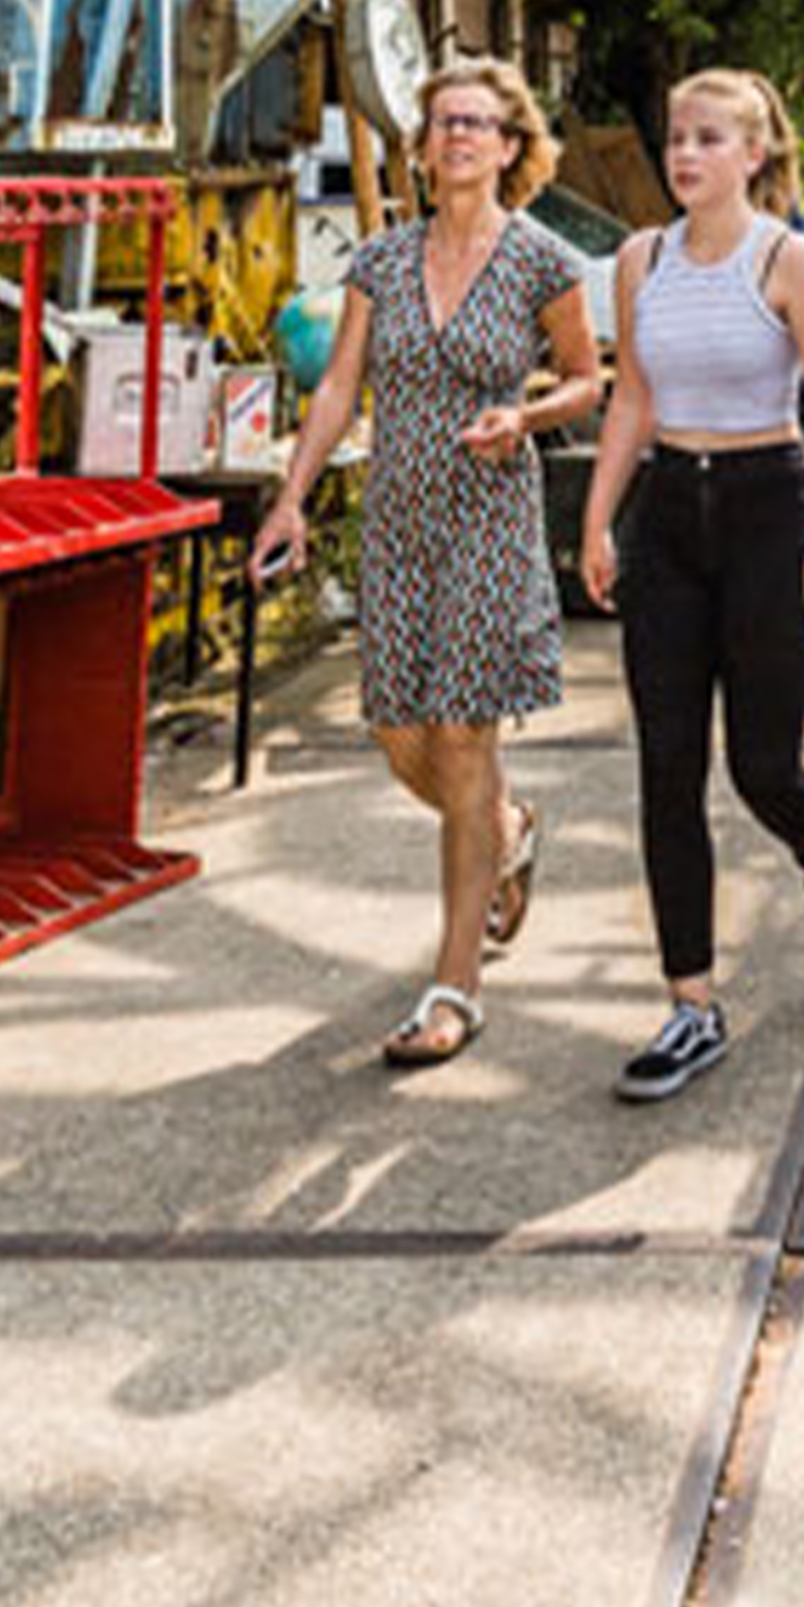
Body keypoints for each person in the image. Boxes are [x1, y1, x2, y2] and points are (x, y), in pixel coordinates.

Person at [250, 57, 601, 1070]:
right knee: (402, 737)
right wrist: (291, 499)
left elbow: (585, 381)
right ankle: (506, 830)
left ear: (510, 146)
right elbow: (337, 390)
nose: (457, 136)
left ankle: (454, 989)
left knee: (461, 733)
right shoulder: (381, 262)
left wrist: (524, 416)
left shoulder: (542, 261)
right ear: (425, 142)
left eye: (476, 122)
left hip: (489, 519)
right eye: (444, 121)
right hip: (399, 524)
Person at [579, 66, 804, 1102]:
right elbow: (631, 398)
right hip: (668, 518)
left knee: (762, 766)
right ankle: (691, 1005)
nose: (685, 155)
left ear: (753, 154)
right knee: (667, 767)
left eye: (709, 138)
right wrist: (598, 518)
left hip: (768, 512)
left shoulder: (788, 261)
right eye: (676, 137)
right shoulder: (640, 259)